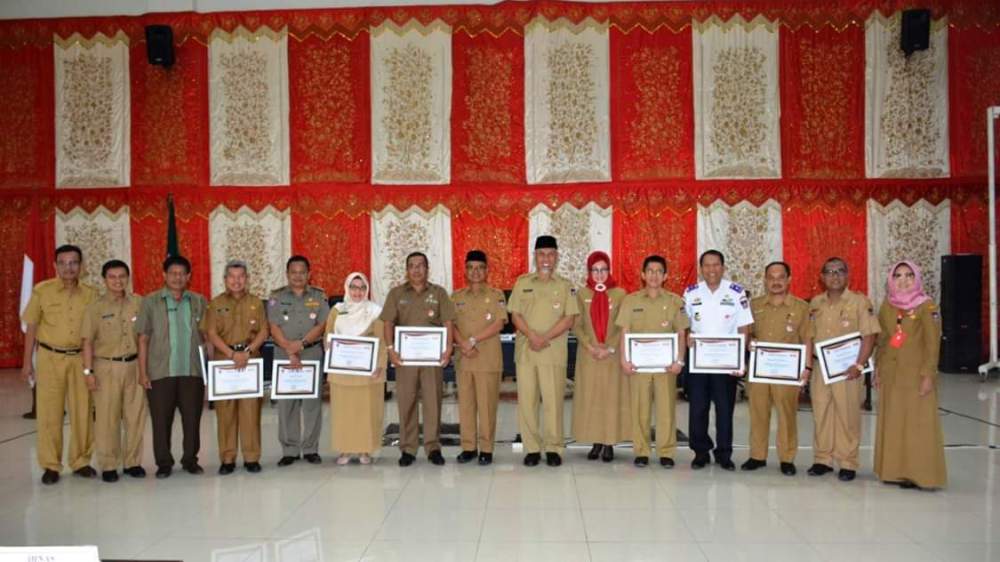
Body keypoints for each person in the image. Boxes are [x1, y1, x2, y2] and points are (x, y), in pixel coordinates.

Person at [20, 244, 97, 485]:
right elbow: (31, 327)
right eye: (62, 263)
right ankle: (51, 465)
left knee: (82, 411)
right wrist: (26, 363)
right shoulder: (42, 291)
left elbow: (95, 332)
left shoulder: (91, 294)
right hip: (50, 358)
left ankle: (81, 461)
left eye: (73, 263)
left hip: (80, 359)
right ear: (55, 265)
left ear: (81, 266)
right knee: (49, 413)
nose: (68, 268)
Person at [873, 261, 947, 489]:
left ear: (916, 279)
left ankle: (922, 475)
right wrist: (878, 368)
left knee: (918, 424)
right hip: (891, 374)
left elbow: (933, 345)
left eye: (908, 275)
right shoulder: (887, 306)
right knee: (894, 421)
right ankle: (895, 471)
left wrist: (928, 375)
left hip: (916, 375)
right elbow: (883, 340)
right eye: (898, 276)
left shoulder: (927, 306)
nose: (903, 280)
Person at [508, 235, 580, 467]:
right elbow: (515, 315)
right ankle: (531, 448)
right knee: (527, 403)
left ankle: (553, 448)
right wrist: (532, 336)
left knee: (553, 402)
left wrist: (544, 338)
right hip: (527, 352)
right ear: (535, 256)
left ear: (556, 257)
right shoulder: (523, 282)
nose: (546, 258)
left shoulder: (565, 285)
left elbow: (569, 319)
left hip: (553, 352)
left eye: (550, 254)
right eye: (541, 254)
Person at [807, 257, 879, 482]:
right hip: (821, 368)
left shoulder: (859, 302)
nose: (835, 276)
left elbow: (870, 336)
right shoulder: (815, 303)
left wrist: (859, 364)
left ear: (847, 275)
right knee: (821, 413)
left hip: (849, 370)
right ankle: (823, 459)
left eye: (839, 271)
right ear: (822, 277)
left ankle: (847, 462)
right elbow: (809, 336)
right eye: (829, 272)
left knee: (847, 415)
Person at [136, 255, 208, 479]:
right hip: (160, 372)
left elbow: (207, 337)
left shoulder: (199, 301)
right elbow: (143, 338)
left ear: (188, 276)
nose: (177, 277)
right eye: (173, 273)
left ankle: (190, 460)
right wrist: (143, 372)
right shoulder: (150, 302)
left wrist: (210, 372)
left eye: (182, 273)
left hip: (192, 371)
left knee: (192, 419)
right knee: (161, 421)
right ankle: (164, 463)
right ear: (164, 275)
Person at [381, 252, 455, 467]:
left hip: (432, 359)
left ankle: (433, 447)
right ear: (407, 270)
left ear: (427, 268)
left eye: (420, 265)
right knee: (407, 402)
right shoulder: (396, 294)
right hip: (406, 360)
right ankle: (408, 448)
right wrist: (390, 349)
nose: (416, 270)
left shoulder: (439, 293)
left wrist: (449, 347)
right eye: (412, 266)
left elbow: (448, 322)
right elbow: (388, 323)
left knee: (433, 402)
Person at [616, 255, 688, 468]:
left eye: (659, 271)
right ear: (643, 274)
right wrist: (624, 360)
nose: (654, 275)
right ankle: (642, 451)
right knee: (640, 409)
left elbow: (681, 333)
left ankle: (666, 451)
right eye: (650, 271)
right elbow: (624, 332)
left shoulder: (675, 302)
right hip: (639, 367)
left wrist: (680, 361)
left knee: (666, 409)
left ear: (665, 276)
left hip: (666, 367)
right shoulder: (631, 301)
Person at [683, 250, 752, 471]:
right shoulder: (691, 293)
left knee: (724, 409)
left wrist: (740, 360)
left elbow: (744, 327)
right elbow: (684, 325)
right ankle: (700, 452)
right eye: (707, 265)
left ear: (723, 267)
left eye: (716, 265)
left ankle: (724, 453)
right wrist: (687, 337)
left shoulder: (736, 292)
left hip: (726, 362)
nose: (711, 269)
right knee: (697, 409)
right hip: (699, 361)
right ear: (701, 268)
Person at [742, 261, 812, 476]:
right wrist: (749, 343)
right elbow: (746, 333)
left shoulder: (801, 307)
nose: (776, 282)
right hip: (759, 370)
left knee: (787, 414)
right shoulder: (754, 305)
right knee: (758, 413)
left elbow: (807, 339)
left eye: (780, 277)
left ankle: (787, 458)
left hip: (787, 372)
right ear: (765, 280)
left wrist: (807, 367)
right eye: (771, 278)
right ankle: (757, 455)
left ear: (789, 279)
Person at [81, 260, 146, 483]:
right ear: (104, 279)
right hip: (106, 367)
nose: (118, 281)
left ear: (128, 278)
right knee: (107, 419)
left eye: (122, 276)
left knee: (135, 417)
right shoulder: (95, 307)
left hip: (134, 366)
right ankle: (109, 464)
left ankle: (132, 462)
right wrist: (88, 372)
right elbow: (87, 342)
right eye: (112, 277)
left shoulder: (138, 303)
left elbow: (145, 336)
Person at [202, 260, 269, 475]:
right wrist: (232, 354)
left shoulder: (256, 303)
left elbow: (263, 331)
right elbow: (211, 333)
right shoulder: (215, 304)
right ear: (225, 279)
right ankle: (227, 458)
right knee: (225, 412)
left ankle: (251, 457)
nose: (236, 281)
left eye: (241, 276)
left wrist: (247, 352)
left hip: (250, 360)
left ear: (247, 279)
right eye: (232, 276)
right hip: (225, 361)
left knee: (251, 412)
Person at [267, 256, 330, 466]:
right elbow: (273, 326)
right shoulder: (276, 297)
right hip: (283, 354)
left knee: (312, 404)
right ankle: (290, 449)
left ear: (309, 274)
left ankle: (311, 448)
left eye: (302, 272)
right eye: (293, 272)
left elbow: (321, 325)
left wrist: (300, 345)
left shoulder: (319, 296)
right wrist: (289, 348)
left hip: (310, 353)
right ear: (287, 274)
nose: (297, 276)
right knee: (287, 403)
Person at [571, 251, 629, 463]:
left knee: (611, 399)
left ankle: (609, 443)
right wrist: (590, 346)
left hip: (612, 355)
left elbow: (623, 325)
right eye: (595, 270)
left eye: (603, 269)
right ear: (589, 272)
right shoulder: (581, 294)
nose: (599, 274)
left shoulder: (620, 294)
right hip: (589, 355)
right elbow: (576, 325)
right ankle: (595, 441)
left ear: (609, 270)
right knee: (591, 398)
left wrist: (610, 348)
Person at [451, 250, 507, 466]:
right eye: (471, 268)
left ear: (486, 271)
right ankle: (468, 447)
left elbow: (499, 324)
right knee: (465, 406)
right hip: (464, 358)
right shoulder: (456, 297)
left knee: (486, 407)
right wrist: (463, 344)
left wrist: (472, 341)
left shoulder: (496, 295)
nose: (475, 272)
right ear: (465, 271)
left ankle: (486, 449)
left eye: (480, 268)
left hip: (487, 360)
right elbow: (451, 324)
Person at [325, 272, 388, 465]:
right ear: (347, 288)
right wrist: (330, 347)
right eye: (353, 287)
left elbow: (382, 341)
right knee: (343, 412)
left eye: (362, 288)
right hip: (342, 371)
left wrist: (380, 365)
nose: (357, 292)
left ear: (367, 289)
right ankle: (344, 450)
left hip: (367, 373)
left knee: (365, 413)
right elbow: (328, 335)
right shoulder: (337, 310)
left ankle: (364, 450)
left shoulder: (375, 311)